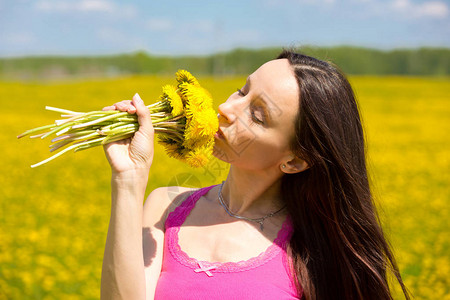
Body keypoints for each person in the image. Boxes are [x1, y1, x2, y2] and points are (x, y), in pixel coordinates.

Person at [100, 50, 410, 300]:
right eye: (242, 91)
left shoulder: (312, 256)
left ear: (295, 161)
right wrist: (129, 179)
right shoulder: (165, 208)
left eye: (257, 116)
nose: (226, 108)